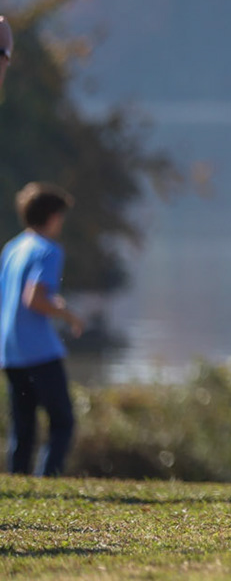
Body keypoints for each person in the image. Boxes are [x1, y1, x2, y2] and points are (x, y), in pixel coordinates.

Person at [2, 183, 84, 476]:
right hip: (38, 349)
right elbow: (33, 297)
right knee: (62, 420)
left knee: (23, 425)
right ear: (51, 216)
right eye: (61, 215)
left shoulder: (13, 248)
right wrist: (69, 315)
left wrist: (52, 302)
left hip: (10, 349)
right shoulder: (49, 250)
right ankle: (48, 479)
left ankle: (19, 481)